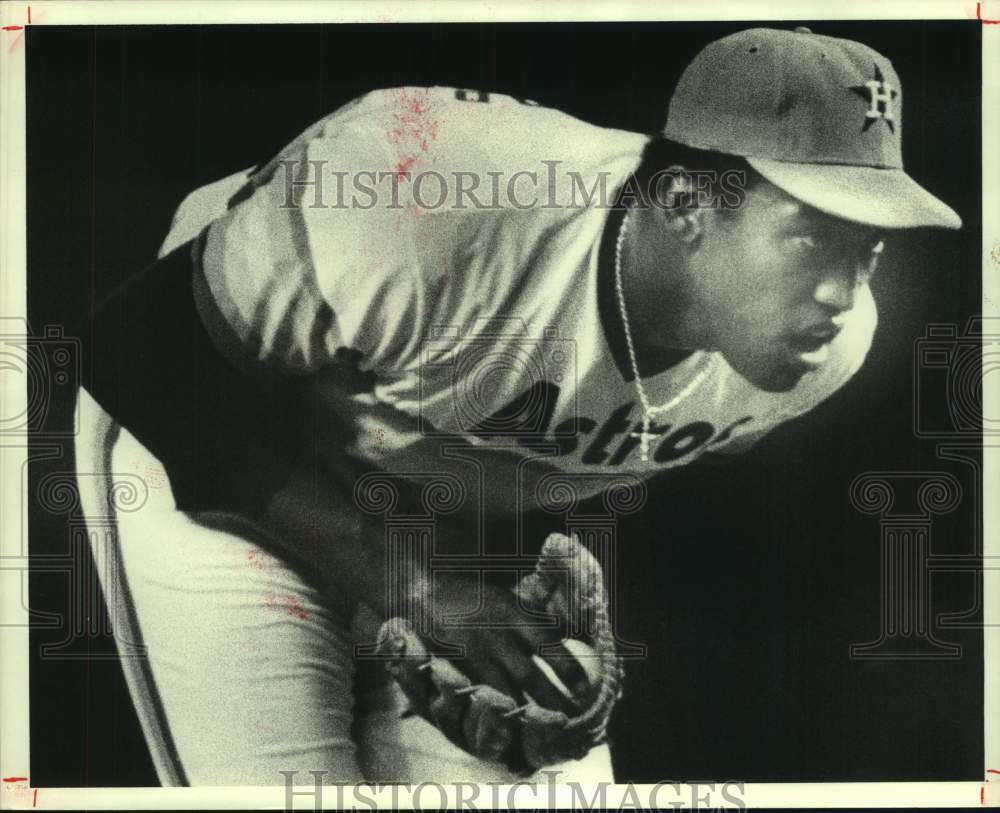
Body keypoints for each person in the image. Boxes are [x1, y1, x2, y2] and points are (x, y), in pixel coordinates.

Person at [73, 26, 961, 786]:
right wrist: (407, 587)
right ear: (688, 203)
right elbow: (142, 351)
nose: (843, 293)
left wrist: (546, 576)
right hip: (216, 416)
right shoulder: (422, 197)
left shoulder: (821, 348)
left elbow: (549, 433)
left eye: (868, 249)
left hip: (432, 491)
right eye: (812, 236)